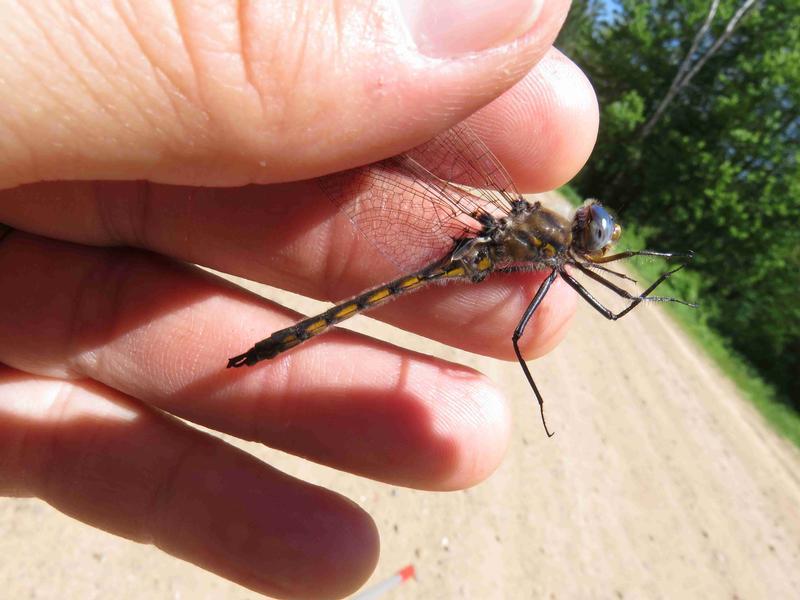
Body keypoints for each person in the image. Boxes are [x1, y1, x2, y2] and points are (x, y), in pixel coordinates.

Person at [0, 1, 597, 597]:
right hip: (467, 251)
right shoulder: (547, 247)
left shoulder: (545, 245)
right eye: (597, 232)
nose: (598, 238)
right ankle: (267, 349)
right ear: (575, 236)